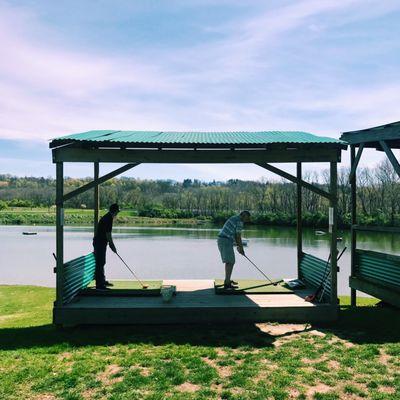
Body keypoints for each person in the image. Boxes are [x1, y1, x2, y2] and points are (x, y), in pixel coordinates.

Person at [217, 210, 251, 289]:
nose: (247, 219)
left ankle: (227, 280)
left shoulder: (234, 218)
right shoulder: (239, 221)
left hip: (223, 240)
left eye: (248, 218)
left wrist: (239, 247)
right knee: (230, 262)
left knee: (230, 261)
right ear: (242, 215)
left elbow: (235, 235)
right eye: (247, 217)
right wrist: (241, 248)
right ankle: (227, 283)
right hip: (225, 240)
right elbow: (238, 236)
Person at [93, 203, 120, 290]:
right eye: (117, 212)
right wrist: (112, 246)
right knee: (100, 263)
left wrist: (111, 245)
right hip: (99, 243)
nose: (117, 214)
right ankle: (100, 285)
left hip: (101, 242)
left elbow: (107, 235)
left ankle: (102, 281)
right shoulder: (108, 218)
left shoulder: (108, 217)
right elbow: (108, 234)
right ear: (115, 211)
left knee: (102, 262)